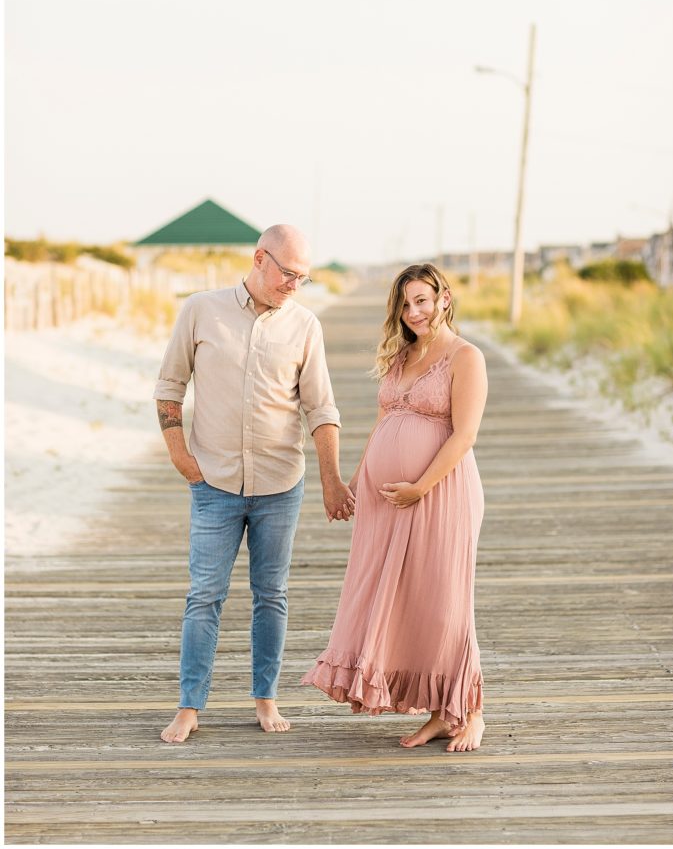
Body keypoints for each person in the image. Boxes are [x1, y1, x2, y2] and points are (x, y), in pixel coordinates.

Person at [155, 224, 354, 743]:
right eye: (288, 273)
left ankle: (265, 697)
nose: (293, 285)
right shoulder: (201, 309)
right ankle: (189, 706)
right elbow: (170, 385)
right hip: (213, 483)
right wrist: (180, 455)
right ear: (260, 258)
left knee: (272, 594)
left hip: (280, 485)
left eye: (303, 278)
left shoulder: (305, 325)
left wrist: (333, 480)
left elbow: (320, 407)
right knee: (204, 596)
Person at [302, 262, 488, 752]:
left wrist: (420, 486)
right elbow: (383, 423)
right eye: (406, 305)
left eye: (422, 301)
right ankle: (438, 714)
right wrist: (358, 481)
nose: (414, 312)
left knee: (445, 600)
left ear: (444, 297)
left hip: (440, 493)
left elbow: (464, 435)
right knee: (410, 603)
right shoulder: (401, 355)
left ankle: (469, 711)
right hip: (389, 501)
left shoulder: (466, 357)